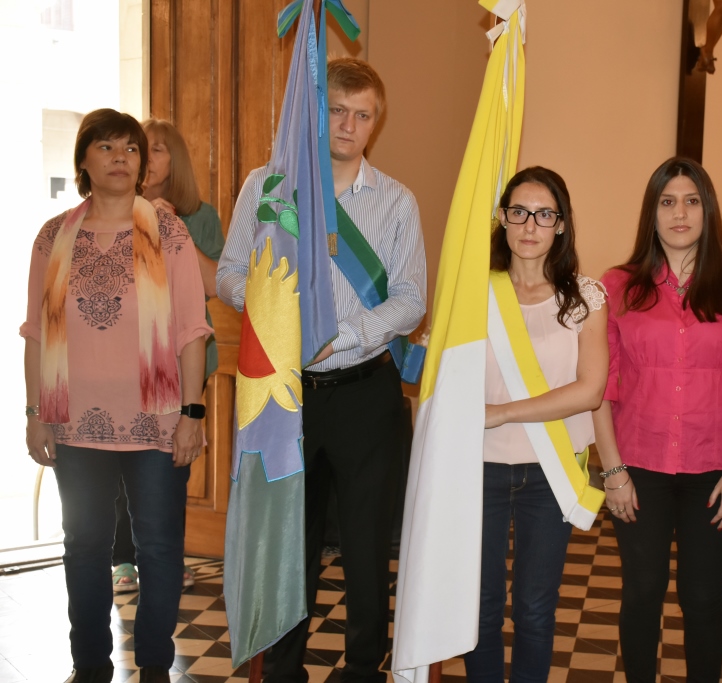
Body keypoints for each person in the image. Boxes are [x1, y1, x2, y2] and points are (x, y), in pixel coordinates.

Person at [217, 56, 426, 683]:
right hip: (287, 395)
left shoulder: (395, 200)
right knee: (289, 543)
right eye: (337, 110)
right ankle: (284, 669)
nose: (348, 125)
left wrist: (342, 335)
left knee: (367, 550)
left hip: (366, 394)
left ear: (375, 124)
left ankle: (363, 669)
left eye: (362, 116)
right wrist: (274, 312)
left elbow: (412, 297)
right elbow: (228, 273)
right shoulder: (268, 185)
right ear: (315, 112)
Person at [22, 109, 211, 683]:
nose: (123, 157)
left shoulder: (167, 230)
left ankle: (154, 663)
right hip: (75, 423)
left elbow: (191, 328)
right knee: (83, 547)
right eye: (107, 147)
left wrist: (192, 412)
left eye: (132, 148)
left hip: (155, 422)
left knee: (157, 549)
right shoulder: (54, 236)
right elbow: (35, 332)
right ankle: (89, 665)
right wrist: (35, 414)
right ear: (83, 160)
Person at [593, 157, 722, 683]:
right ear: (651, 214)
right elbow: (599, 388)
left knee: (701, 597)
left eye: (691, 201)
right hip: (638, 467)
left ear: (708, 210)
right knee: (643, 592)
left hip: (715, 470)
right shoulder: (618, 287)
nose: (680, 213)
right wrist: (612, 473)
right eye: (667, 201)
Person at [464, 167, 608, 682]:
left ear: (562, 225)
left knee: (533, 611)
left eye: (545, 214)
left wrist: (501, 413)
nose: (530, 225)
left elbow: (589, 390)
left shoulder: (585, 298)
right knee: (478, 610)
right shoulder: (472, 293)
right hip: (477, 468)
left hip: (550, 475)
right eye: (519, 212)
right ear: (502, 219)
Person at [110, 118, 225, 593]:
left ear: (173, 159)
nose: (143, 157)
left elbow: (213, 284)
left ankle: (168, 558)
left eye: (154, 149)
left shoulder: (202, 217)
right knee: (120, 467)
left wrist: (172, 226)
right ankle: (122, 559)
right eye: (139, 148)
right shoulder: (115, 211)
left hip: (183, 365)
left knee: (175, 466)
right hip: (124, 365)